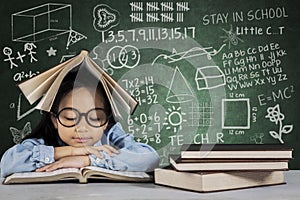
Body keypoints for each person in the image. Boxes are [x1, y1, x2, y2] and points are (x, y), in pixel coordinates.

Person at [1, 66, 160, 178]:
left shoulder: (112, 137)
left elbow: (150, 158)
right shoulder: (43, 142)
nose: (82, 128)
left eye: (95, 118)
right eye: (70, 118)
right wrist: (69, 152)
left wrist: (88, 159)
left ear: (105, 122)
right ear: (54, 120)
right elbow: (7, 164)